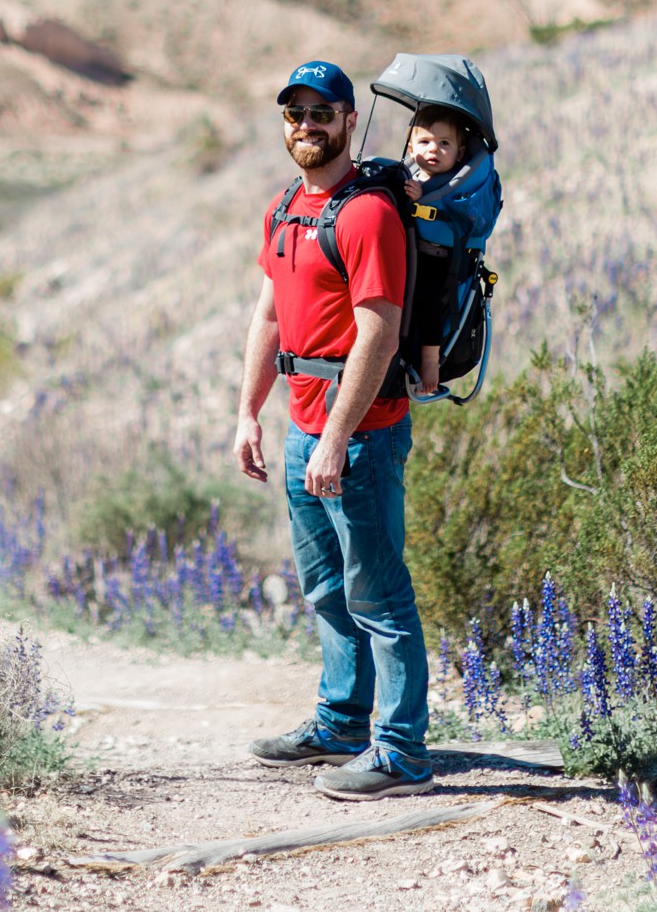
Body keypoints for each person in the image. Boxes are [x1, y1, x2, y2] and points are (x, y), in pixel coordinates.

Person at [234, 60, 435, 801]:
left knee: (379, 596)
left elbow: (377, 334)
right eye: (296, 114)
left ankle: (403, 750)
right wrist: (248, 413)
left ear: (351, 121)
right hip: (301, 432)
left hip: (360, 435)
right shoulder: (286, 207)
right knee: (325, 589)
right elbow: (267, 318)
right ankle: (343, 723)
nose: (307, 126)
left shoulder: (368, 214)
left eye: (323, 113)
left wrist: (335, 437)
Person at [401, 108, 469, 395]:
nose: (434, 150)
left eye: (445, 143)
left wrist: (423, 199)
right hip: (409, 254)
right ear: (410, 148)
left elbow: (458, 216)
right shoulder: (412, 175)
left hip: (437, 260)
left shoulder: (456, 183)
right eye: (425, 142)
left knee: (428, 301)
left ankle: (430, 360)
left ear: (460, 153)